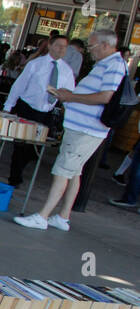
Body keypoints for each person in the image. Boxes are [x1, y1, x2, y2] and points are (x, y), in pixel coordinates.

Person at [16, 30, 127, 231]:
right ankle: (63, 216)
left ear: (105, 45)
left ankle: (43, 215)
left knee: (62, 170)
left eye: (92, 47)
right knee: (74, 172)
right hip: (83, 126)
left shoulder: (114, 65)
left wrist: (71, 97)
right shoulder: (107, 63)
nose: (90, 51)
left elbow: (105, 97)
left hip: (87, 128)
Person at [2, 34, 75, 187]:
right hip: (27, 107)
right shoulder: (35, 64)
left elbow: (69, 95)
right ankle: (14, 177)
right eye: (58, 45)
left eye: (64, 47)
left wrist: (69, 115)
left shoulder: (66, 71)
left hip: (46, 112)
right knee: (20, 144)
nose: (61, 49)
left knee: (34, 148)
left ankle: (20, 168)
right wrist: (8, 106)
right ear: (50, 46)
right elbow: (19, 85)